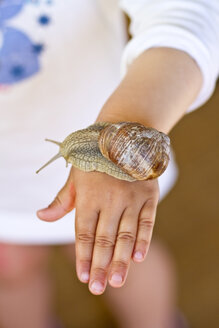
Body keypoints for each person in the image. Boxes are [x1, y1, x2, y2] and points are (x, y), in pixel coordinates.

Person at [0, 1, 219, 327]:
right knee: (11, 267)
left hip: (105, 137)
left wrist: (128, 119)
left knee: (122, 257)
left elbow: (188, 12)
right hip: (9, 176)